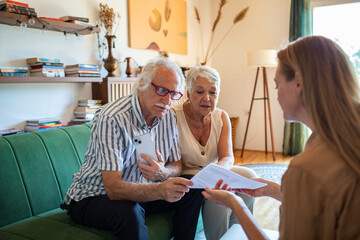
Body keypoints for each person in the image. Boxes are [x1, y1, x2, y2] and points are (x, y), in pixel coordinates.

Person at [203, 36, 360, 239]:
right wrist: (272, 189)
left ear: (298, 83)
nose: (276, 94)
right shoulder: (342, 140)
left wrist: (236, 204)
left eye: (277, 85)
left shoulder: (306, 168)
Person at [62, 57, 204, 240]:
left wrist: (163, 173)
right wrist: (159, 190)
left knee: (191, 186)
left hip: (140, 192)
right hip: (94, 197)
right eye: (161, 90)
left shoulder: (167, 116)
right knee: (129, 211)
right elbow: (113, 188)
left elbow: (176, 164)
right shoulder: (111, 118)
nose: (167, 100)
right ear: (142, 83)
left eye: (174, 94)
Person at [173, 65, 257, 240]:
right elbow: (174, 163)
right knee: (219, 194)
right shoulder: (174, 116)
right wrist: (212, 177)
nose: (207, 98)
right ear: (188, 93)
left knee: (249, 176)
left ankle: (237, 234)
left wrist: (216, 171)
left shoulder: (222, 117)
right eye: (200, 92)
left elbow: (227, 157)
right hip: (189, 177)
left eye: (213, 92)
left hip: (214, 171)